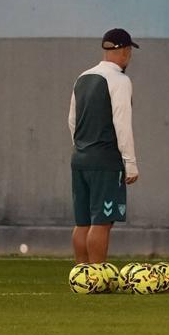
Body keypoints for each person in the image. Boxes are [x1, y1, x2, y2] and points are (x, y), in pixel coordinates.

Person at [67, 28, 139, 264]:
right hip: (105, 160)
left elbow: (72, 121)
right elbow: (122, 123)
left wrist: (81, 147)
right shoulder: (120, 80)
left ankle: (81, 274)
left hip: (80, 157)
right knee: (102, 222)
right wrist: (130, 163)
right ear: (125, 51)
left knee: (82, 222)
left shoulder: (82, 77)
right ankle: (97, 274)